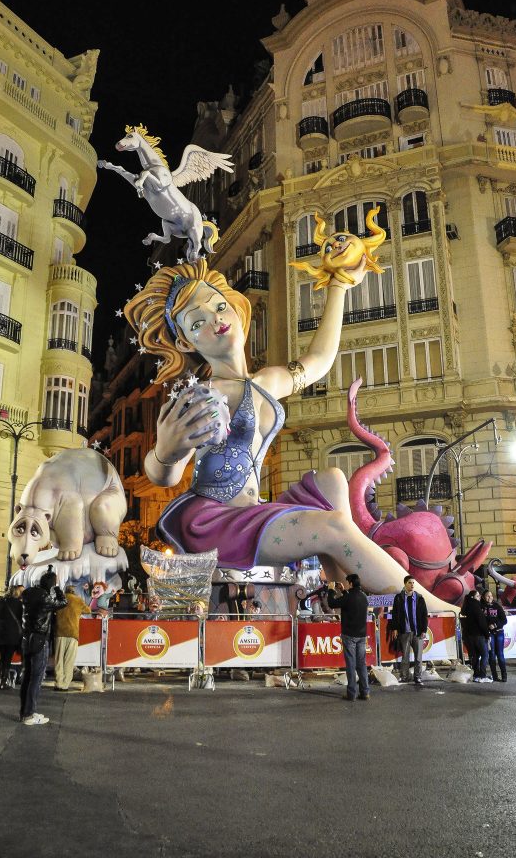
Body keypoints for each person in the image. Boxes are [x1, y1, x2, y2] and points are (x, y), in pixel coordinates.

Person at [124, 260, 451, 611]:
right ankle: (436, 610)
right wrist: (167, 451)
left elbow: (320, 360)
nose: (216, 320)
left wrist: (339, 285)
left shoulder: (266, 382)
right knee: (335, 524)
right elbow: (164, 475)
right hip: (214, 520)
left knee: (333, 481)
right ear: (186, 343)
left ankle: (339, 591)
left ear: (234, 308)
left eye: (219, 307)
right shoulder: (202, 394)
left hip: (252, 513)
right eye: (197, 323)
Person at [19, 571, 67, 725]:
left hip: (27, 638)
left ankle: (25, 712)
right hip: (40, 639)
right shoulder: (45, 598)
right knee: (37, 677)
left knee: (27, 676)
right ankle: (29, 714)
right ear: (52, 583)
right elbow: (63, 603)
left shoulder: (28, 593)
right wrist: (58, 590)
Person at [327, 573, 371, 701]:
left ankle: (351, 693)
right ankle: (365, 692)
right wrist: (343, 591)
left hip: (349, 635)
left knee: (351, 664)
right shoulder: (364, 597)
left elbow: (332, 603)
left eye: (347, 583)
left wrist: (331, 590)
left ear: (351, 583)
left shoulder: (349, 597)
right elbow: (352, 601)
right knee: (361, 664)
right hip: (362, 635)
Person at [391, 575, 429, 686]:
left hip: (417, 632)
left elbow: (424, 615)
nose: (412, 585)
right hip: (404, 632)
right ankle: (404, 677)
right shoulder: (399, 598)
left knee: (418, 657)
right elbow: (395, 614)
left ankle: (418, 677)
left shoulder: (419, 598)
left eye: (413, 583)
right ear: (405, 584)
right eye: (409, 583)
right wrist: (395, 628)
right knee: (405, 657)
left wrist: (424, 630)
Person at [53, 585, 90, 691]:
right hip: (73, 633)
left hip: (59, 632)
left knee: (58, 660)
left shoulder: (60, 599)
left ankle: (58, 683)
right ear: (74, 592)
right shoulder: (78, 600)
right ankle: (65, 685)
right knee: (69, 661)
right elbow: (88, 610)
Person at [0, 584, 23, 692]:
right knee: (6, 659)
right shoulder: (18, 604)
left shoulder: (1, 601)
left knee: (4, 658)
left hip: (1, 635)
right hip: (12, 635)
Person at [460, 589, 492, 683]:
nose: (479, 598)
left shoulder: (466, 607)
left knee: (475, 656)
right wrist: (487, 634)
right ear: (473, 597)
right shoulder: (476, 607)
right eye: (478, 596)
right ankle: (482, 675)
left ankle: (476, 675)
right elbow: (482, 623)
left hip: (469, 636)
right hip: (479, 635)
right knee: (485, 655)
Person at [481, 588, 507, 682]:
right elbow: (481, 621)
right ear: (483, 597)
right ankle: (495, 676)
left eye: (491, 596)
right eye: (488, 596)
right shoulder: (481, 607)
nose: (490, 597)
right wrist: (488, 626)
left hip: (499, 632)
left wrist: (495, 625)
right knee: (491, 655)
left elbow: (504, 620)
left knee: (500, 654)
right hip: (489, 634)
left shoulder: (497, 606)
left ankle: (504, 675)